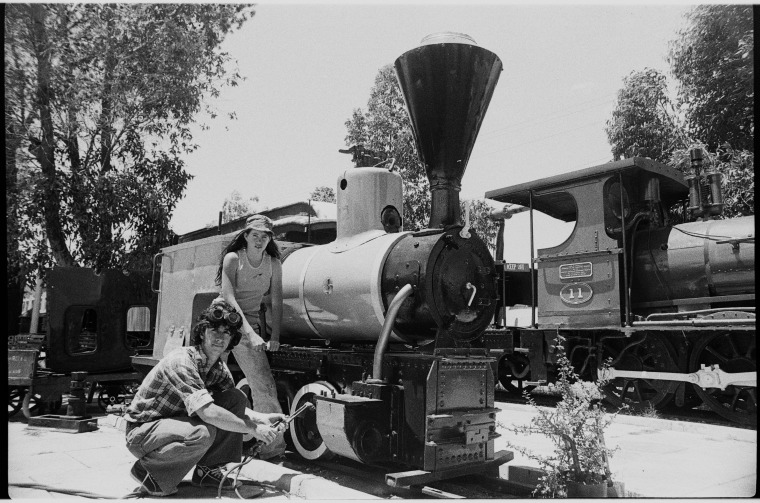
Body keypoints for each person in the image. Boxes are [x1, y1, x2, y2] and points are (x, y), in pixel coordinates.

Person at [124, 299, 288, 497]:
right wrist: (253, 429)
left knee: (235, 398)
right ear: (202, 333)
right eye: (214, 331)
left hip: (174, 425)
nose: (220, 337)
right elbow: (208, 412)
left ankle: (207, 471)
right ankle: (150, 472)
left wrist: (262, 418)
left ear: (231, 339)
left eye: (226, 333)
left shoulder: (218, 368)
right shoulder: (182, 361)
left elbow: (233, 410)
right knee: (202, 432)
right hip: (142, 432)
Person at [215, 214, 287, 459]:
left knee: (264, 386)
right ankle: (205, 442)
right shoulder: (233, 258)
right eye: (255, 235)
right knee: (207, 382)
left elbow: (276, 300)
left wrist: (274, 335)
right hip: (222, 322)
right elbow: (229, 298)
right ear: (245, 236)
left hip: (250, 326)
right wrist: (249, 333)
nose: (259, 240)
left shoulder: (273, 263)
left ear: (270, 240)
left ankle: (273, 449)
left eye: (264, 236)